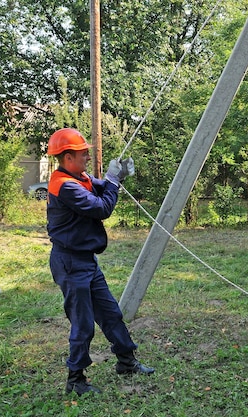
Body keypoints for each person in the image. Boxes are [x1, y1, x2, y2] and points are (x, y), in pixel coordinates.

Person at [46, 128, 154, 396]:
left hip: (86, 261)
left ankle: (126, 362)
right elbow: (101, 208)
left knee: (110, 313)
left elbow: (101, 186)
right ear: (68, 156)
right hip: (70, 263)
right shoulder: (65, 186)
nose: (87, 156)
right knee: (82, 324)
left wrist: (115, 177)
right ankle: (76, 379)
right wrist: (113, 181)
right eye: (83, 152)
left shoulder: (78, 177)